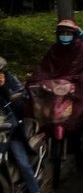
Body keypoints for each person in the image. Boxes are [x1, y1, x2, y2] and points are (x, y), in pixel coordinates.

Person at [28, 20, 83, 167]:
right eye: (62, 34)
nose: (65, 36)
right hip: (59, 91)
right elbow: (44, 68)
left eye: (68, 34)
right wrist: (39, 80)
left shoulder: (82, 49)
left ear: (74, 35)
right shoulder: (53, 51)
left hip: (80, 90)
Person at [0, 58, 40, 193]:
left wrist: (6, 91)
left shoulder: (10, 80)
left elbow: (22, 99)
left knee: (23, 165)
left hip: (10, 130)